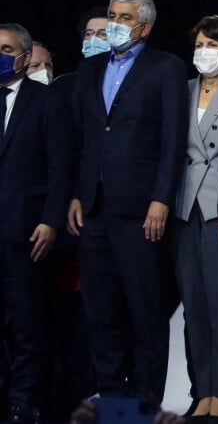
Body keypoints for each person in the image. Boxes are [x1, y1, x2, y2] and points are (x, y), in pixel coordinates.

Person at [66, 0, 189, 402]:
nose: (115, 25)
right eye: (112, 16)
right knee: (100, 311)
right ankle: (110, 395)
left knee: (145, 310)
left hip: (141, 209)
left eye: (124, 19)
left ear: (145, 27)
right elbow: (83, 136)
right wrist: (78, 193)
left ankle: (145, 400)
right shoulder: (90, 69)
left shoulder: (166, 68)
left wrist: (162, 198)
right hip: (94, 207)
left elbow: (173, 139)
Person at [171, 15, 218, 424]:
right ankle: (201, 393)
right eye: (200, 43)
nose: (205, 52)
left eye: (214, 45)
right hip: (184, 207)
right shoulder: (180, 91)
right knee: (194, 307)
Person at [0, 23, 72, 424]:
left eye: (7, 49)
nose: (0, 55)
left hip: (25, 232)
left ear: (25, 57)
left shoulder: (45, 101)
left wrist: (50, 221)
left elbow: (60, 168)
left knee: (27, 324)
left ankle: (24, 399)